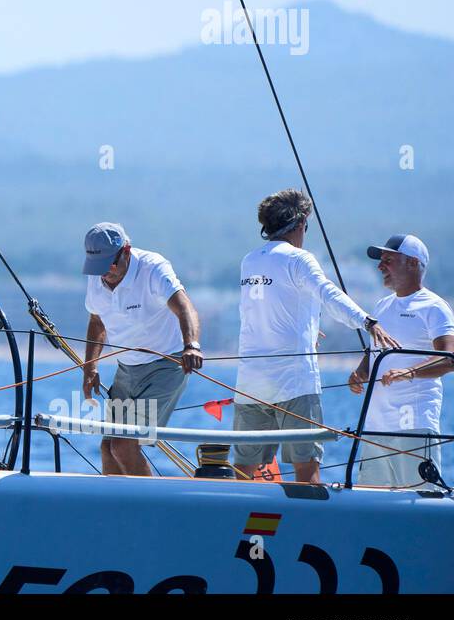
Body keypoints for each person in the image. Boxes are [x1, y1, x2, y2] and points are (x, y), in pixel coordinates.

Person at [233, 189, 397, 484]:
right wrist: (367, 321)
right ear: (300, 224)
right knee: (306, 470)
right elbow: (328, 294)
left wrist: (306, 327)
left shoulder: (249, 261)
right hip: (294, 385)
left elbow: (258, 310)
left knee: (245, 469)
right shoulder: (300, 259)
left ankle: (238, 525)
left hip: (250, 384)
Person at [81, 222, 204, 476]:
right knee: (108, 447)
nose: (105, 274)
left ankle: (152, 510)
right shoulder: (98, 277)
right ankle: (118, 509)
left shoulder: (153, 268)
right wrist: (90, 367)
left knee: (124, 445)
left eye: (109, 265)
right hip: (126, 369)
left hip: (165, 365)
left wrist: (191, 345)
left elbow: (185, 308)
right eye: (98, 268)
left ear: (126, 250)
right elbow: (96, 321)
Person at [350, 235, 454, 487]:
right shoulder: (381, 306)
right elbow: (374, 350)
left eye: (388, 260)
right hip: (374, 427)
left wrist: (408, 372)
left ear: (412, 263)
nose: (380, 267)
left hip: (413, 425)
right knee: (372, 507)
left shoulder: (434, 306)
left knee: (417, 501)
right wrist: (360, 372)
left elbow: (450, 357)